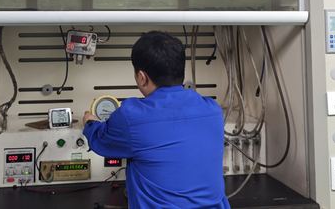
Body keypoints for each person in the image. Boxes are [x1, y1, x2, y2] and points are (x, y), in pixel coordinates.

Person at [83, 31, 230, 209]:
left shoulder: (132, 115)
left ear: (142, 77)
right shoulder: (213, 109)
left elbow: (101, 141)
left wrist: (89, 123)